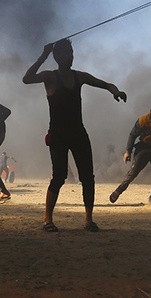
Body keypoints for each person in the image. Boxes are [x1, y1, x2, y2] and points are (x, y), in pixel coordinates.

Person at [23, 38, 127, 232]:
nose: (70, 57)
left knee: (87, 177)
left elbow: (106, 84)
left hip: (78, 132)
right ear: (57, 57)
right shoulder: (50, 77)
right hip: (58, 134)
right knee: (59, 177)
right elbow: (27, 78)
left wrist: (116, 91)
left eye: (71, 53)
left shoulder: (79, 76)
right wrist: (43, 55)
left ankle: (89, 219)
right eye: (66, 54)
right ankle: (48, 220)